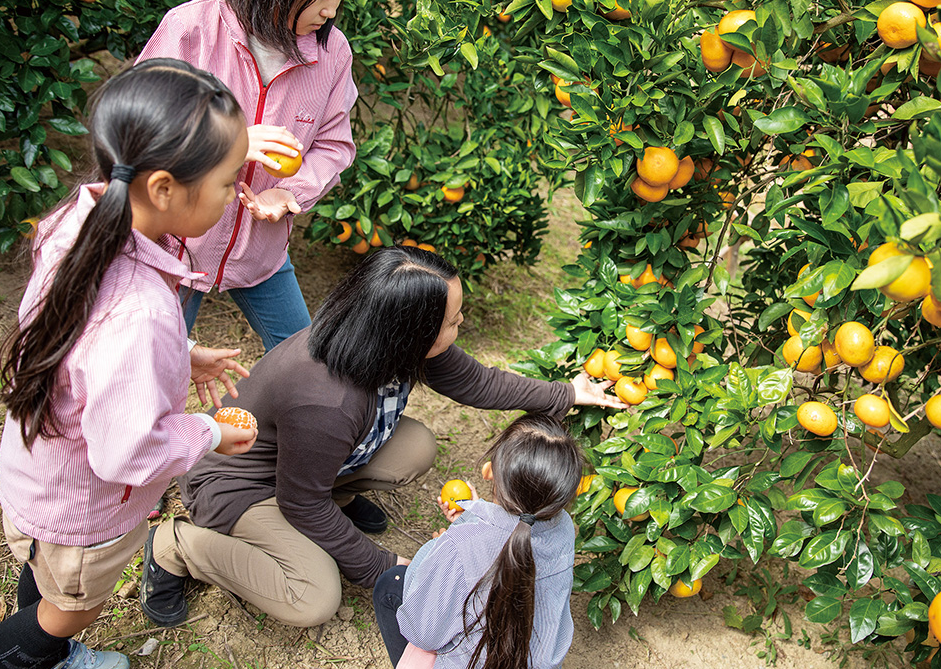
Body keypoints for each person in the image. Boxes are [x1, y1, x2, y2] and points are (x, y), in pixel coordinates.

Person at [0, 60, 260, 669]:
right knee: (67, 610)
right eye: (227, 183)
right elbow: (126, 455)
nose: (236, 196)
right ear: (164, 188)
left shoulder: (77, 221)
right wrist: (208, 433)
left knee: (41, 569)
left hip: (39, 466)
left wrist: (177, 358)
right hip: (85, 507)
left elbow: (84, 337)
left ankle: (46, 660)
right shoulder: (137, 313)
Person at [139, 247, 624, 630]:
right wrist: (384, 566)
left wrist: (567, 393)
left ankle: (339, 494)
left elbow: (479, 382)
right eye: (452, 321)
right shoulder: (327, 399)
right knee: (314, 596)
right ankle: (174, 546)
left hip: (303, 464)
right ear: (408, 330)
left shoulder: (384, 336)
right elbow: (301, 502)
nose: (460, 327)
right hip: (241, 484)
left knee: (416, 448)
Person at [136, 0, 365, 352]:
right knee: (151, 358)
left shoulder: (331, 53)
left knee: (307, 363)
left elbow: (334, 145)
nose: (332, 10)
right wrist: (229, 144)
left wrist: (291, 190)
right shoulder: (190, 30)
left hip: (262, 252)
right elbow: (140, 131)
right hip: (174, 243)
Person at [372, 413, 585, 669]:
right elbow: (511, 531)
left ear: (489, 471)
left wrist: (443, 543)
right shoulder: (564, 529)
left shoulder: (462, 545)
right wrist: (474, 518)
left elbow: (422, 631)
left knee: (392, 585)